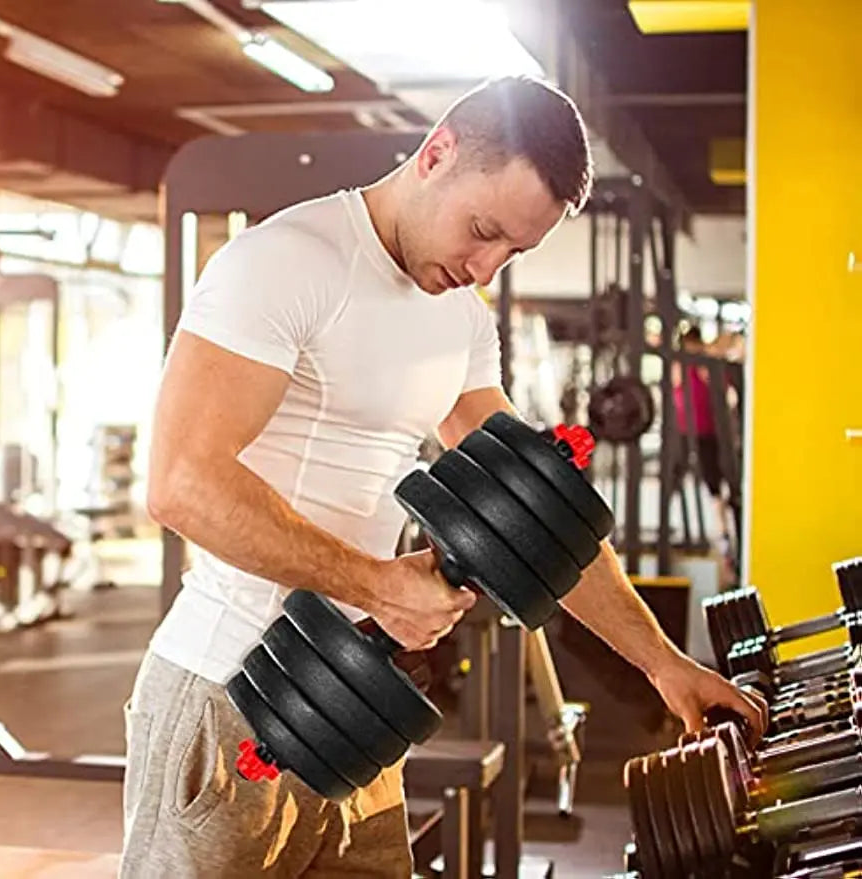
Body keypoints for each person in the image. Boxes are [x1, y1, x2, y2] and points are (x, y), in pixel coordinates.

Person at [121, 76, 767, 878]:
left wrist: (662, 661)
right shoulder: (286, 262)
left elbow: (531, 519)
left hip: (355, 703)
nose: (484, 265)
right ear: (436, 155)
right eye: (482, 229)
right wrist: (376, 583)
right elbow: (180, 482)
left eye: (513, 251)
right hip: (232, 696)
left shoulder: (459, 317)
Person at [671, 325, 736, 579]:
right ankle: (673, 530)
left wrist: (706, 353)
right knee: (673, 480)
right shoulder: (680, 366)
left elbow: (724, 345)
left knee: (714, 486)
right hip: (683, 433)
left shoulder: (705, 366)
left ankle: (723, 537)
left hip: (708, 433)